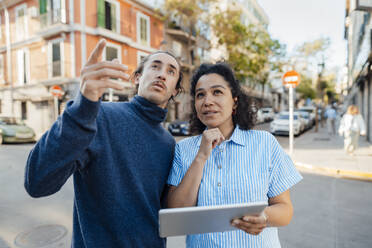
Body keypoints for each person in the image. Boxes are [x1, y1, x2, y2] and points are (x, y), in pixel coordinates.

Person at [24, 39, 183, 247]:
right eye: (155, 66)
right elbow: (37, 182)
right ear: (136, 78)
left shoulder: (169, 144)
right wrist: (83, 105)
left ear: (175, 92)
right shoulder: (98, 116)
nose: (162, 74)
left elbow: (164, 212)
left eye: (171, 71)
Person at [166, 63, 303, 247]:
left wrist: (264, 217)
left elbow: (285, 210)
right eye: (200, 95)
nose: (207, 101)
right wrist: (201, 157)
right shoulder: (184, 149)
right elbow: (176, 214)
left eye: (217, 92)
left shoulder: (265, 143)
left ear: (235, 102)